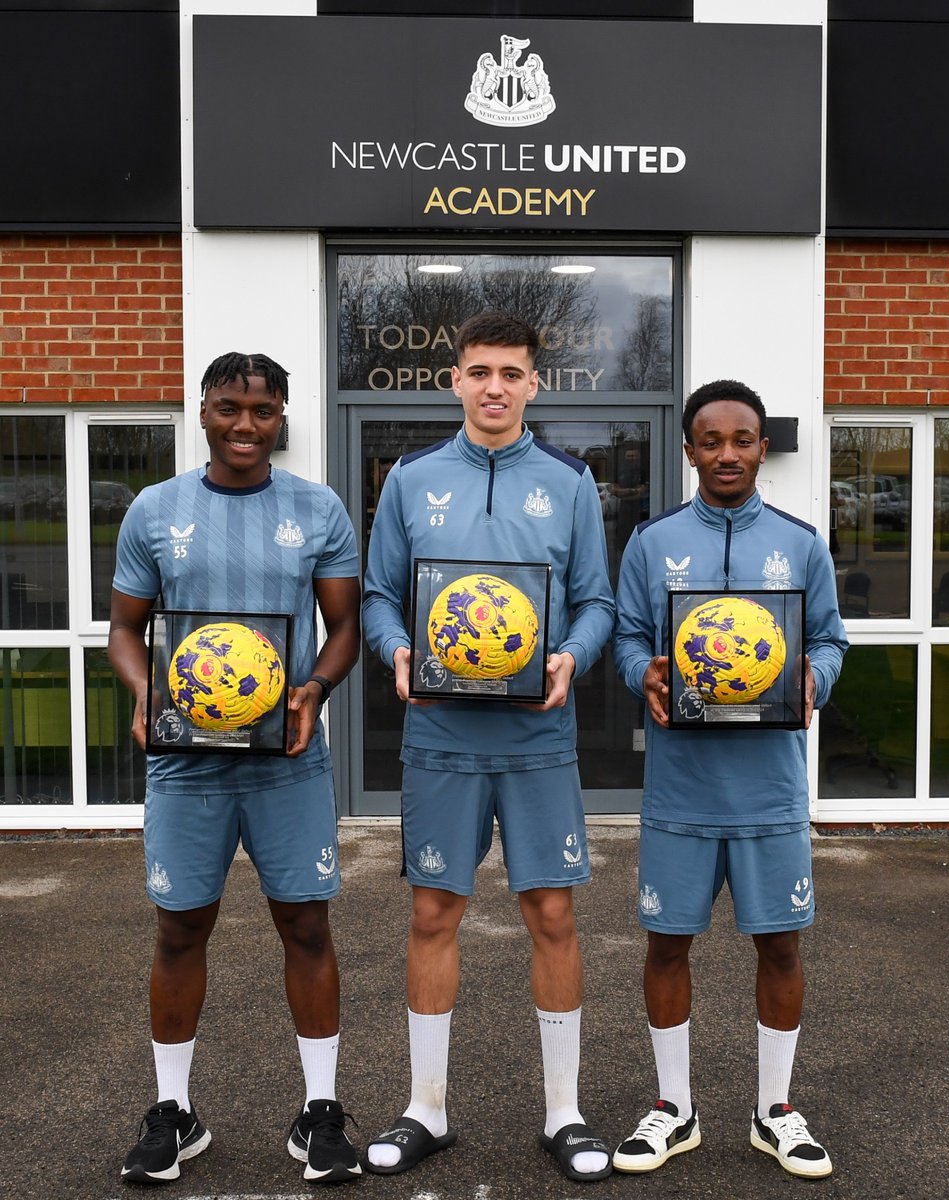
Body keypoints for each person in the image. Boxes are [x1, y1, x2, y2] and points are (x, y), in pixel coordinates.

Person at [361, 312, 616, 1184]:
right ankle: (425, 1108)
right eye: (479, 371)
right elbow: (377, 595)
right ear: (455, 380)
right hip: (440, 734)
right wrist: (397, 649)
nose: (495, 386)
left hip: (539, 736)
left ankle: (565, 1113)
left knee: (552, 912)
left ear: (534, 383)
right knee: (435, 912)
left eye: (511, 372)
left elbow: (596, 602)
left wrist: (572, 656)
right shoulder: (411, 477)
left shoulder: (572, 481)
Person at [108, 352, 362, 1186]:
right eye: (228, 408)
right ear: (204, 411)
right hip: (188, 762)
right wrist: (147, 693)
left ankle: (319, 1114)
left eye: (260, 409)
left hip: (284, 757)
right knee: (181, 927)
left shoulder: (317, 507)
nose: (244, 425)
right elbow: (124, 631)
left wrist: (314, 691)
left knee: (307, 925)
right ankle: (173, 1115)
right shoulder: (156, 509)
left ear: (282, 413)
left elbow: (343, 629)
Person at [611, 379, 847, 1181]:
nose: (726, 455)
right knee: (667, 943)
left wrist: (815, 676)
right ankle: (674, 1107)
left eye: (741, 440)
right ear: (689, 450)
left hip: (769, 790)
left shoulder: (800, 540)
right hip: (680, 791)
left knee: (779, 946)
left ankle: (774, 1110)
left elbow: (829, 640)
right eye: (710, 441)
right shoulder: (652, 542)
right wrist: (643, 669)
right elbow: (628, 636)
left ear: (761, 447)